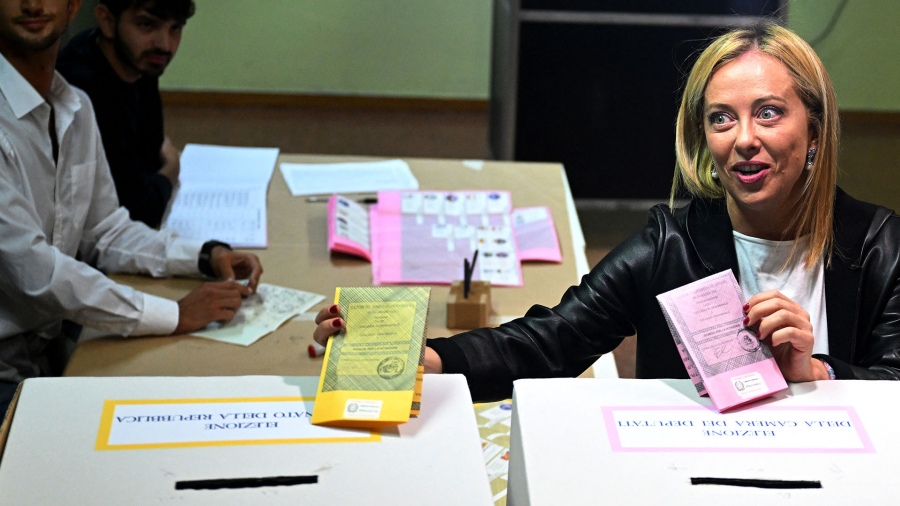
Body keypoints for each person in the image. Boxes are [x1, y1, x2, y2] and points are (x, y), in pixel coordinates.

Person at [314, 22, 900, 402]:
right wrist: (426, 356)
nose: (743, 139)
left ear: (815, 129)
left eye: (768, 112)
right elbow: (553, 340)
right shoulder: (669, 247)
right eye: (721, 118)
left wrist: (816, 373)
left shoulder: (880, 246)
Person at [0, 0, 262, 415]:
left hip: (47, 348)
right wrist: (173, 314)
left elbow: (105, 230)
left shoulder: (76, 107)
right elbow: (37, 273)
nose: (32, 3)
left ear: (72, 6)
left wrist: (204, 255)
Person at [56, 0, 194, 228]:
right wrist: (172, 167)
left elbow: (151, 156)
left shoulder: (139, 62)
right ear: (107, 21)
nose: (165, 45)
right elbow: (139, 211)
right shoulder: (84, 88)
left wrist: (157, 176)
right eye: (146, 25)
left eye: (175, 28)